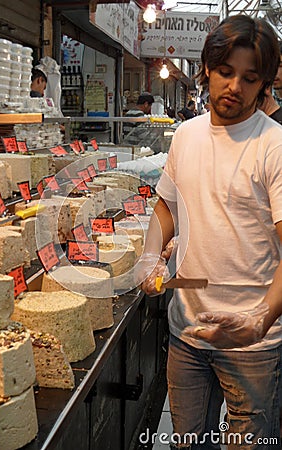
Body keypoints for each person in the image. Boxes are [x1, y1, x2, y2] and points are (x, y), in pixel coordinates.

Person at [137, 14, 282, 449]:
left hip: (252, 344)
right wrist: (149, 256)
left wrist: (261, 319)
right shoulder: (186, 135)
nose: (235, 86)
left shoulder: (273, 145)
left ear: (264, 85)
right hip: (188, 333)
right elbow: (168, 205)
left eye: (249, 78)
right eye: (225, 72)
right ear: (206, 70)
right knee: (188, 443)